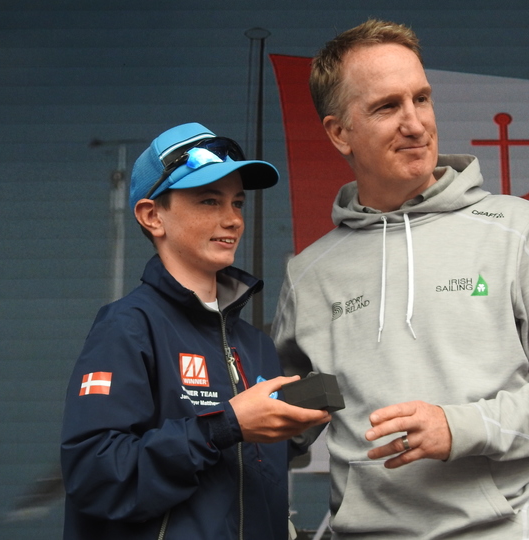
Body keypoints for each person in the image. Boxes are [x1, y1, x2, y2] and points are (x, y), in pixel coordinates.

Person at [271, 20, 529, 539]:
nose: (415, 123)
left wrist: (460, 426)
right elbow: (276, 430)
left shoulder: (516, 227)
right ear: (339, 133)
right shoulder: (310, 274)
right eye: (387, 107)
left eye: (422, 99)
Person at [60, 122, 330, 540]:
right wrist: (226, 427)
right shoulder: (128, 327)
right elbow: (95, 475)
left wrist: (301, 422)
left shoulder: (256, 344)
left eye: (237, 203)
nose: (232, 219)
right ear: (152, 216)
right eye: (209, 201)